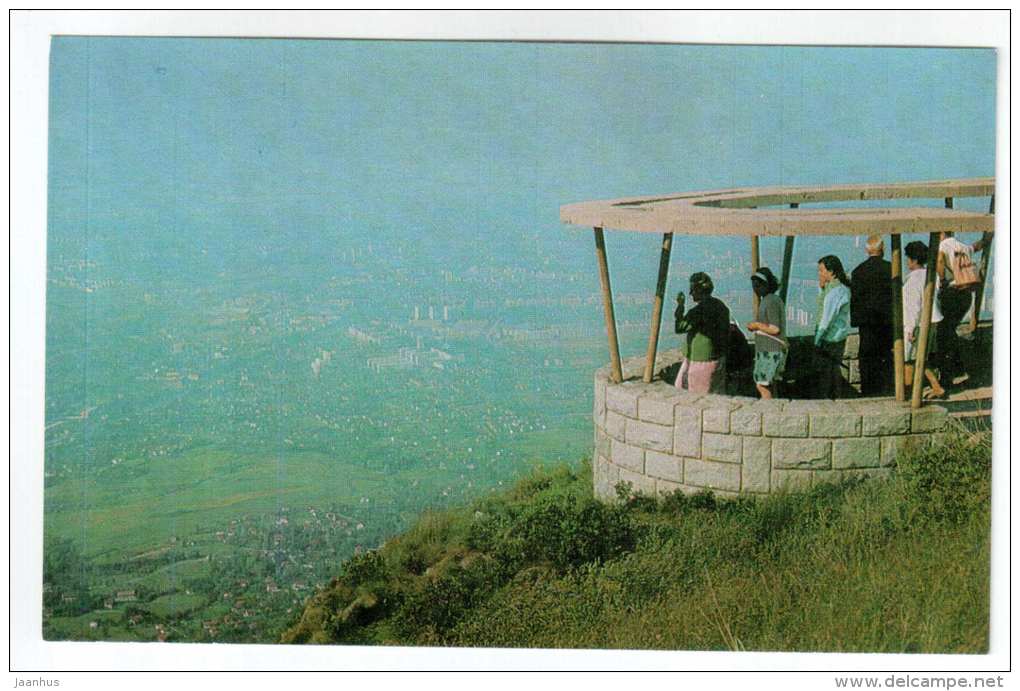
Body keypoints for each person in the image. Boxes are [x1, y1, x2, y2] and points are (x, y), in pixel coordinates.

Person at [936, 232, 991, 386]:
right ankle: (958, 367)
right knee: (950, 328)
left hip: (952, 291)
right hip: (966, 294)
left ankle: (952, 370)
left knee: (944, 332)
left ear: (941, 233)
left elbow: (940, 260)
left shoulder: (943, 246)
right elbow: (977, 246)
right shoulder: (961, 246)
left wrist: (941, 280)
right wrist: (987, 238)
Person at [850, 235, 893, 396]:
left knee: (867, 358)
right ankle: (886, 389)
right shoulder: (891, 269)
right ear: (883, 250)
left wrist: (856, 320)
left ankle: (868, 390)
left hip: (867, 322)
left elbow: (855, 299)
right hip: (887, 321)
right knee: (886, 355)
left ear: (867, 250)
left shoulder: (858, 271)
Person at [674, 272, 730, 394]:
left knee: (696, 395)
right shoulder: (720, 305)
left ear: (699, 290)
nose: (690, 293)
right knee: (716, 394)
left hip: (701, 360)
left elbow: (679, 327)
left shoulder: (699, 311)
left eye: (692, 290)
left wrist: (680, 306)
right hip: (718, 357)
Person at [903, 240, 945, 399]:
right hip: (933, 320)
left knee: (909, 359)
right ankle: (935, 386)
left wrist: (910, 329)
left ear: (913, 260)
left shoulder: (913, 280)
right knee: (922, 356)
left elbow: (913, 306)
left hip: (919, 323)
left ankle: (908, 392)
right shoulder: (931, 275)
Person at [813, 255, 852, 399]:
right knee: (832, 369)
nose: (820, 274)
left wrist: (817, 339)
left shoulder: (836, 292)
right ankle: (835, 397)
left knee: (827, 371)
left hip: (830, 337)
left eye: (822, 271)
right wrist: (821, 288)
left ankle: (829, 398)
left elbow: (826, 318)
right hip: (838, 336)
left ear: (832, 272)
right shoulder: (837, 288)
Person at [746, 267, 786, 399]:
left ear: (766, 285)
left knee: (762, 385)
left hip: (770, 350)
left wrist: (756, 325)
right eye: (754, 286)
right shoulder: (770, 300)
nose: (755, 289)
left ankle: (768, 412)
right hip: (768, 349)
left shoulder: (770, 301)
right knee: (771, 384)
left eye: (758, 286)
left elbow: (775, 329)